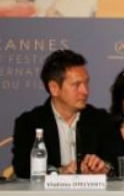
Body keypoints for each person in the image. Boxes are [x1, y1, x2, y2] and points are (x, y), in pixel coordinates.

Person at [11, 49, 116, 178]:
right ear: (54, 88)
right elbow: (22, 167)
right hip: (46, 192)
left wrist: (104, 167)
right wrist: (59, 172)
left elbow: (116, 161)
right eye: (76, 85)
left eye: (86, 83)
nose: (85, 91)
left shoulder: (100, 119)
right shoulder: (29, 122)